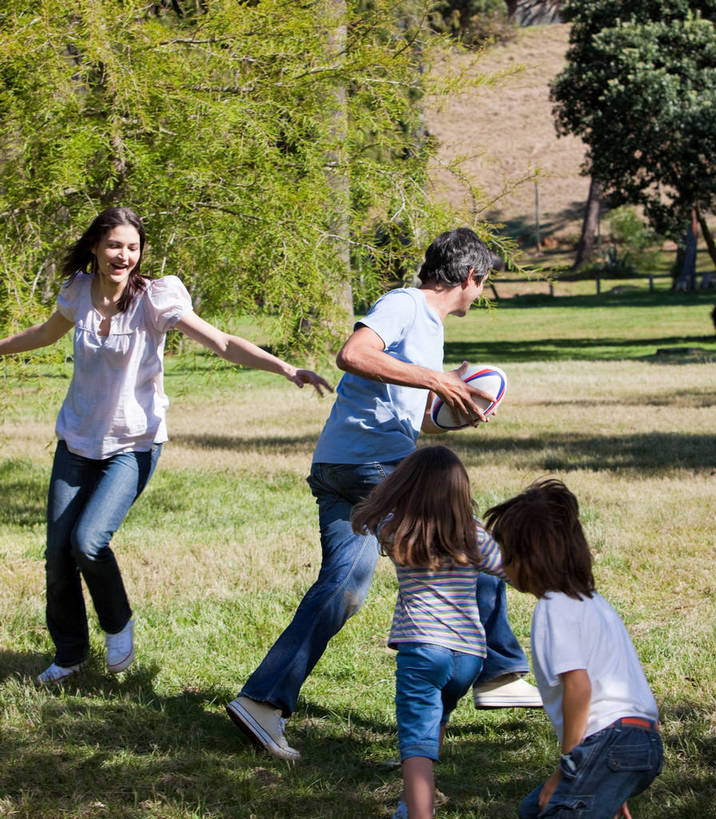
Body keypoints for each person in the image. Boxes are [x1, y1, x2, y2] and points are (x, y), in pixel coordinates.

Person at [227, 227, 540, 762]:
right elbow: (354, 353)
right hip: (373, 467)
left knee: (344, 587)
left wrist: (455, 412)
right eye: (482, 285)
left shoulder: (427, 326)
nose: (479, 294)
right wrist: (438, 380)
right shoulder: (404, 304)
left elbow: (405, 412)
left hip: (344, 466)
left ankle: (262, 703)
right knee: (466, 543)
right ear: (470, 278)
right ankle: (500, 671)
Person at [0, 206, 331, 685]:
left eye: (132, 247)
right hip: (77, 442)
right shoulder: (77, 291)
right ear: (95, 245)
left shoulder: (155, 298)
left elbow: (221, 341)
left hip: (133, 444)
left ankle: (119, 624)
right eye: (115, 245)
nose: (124, 256)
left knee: (88, 541)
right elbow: (46, 333)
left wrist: (282, 367)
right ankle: (70, 656)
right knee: (57, 553)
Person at [484, 479, 663, 819]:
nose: (503, 565)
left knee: (555, 812)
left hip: (609, 741)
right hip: (643, 743)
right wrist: (607, 786)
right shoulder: (594, 603)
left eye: (507, 554)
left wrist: (570, 768)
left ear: (530, 558)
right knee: (532, 810)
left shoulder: (553, 606)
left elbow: (578, 687)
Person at [352, 445, 514, 819]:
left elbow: (368, 514)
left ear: (407, 485)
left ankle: (419, 812)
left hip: (423, 649)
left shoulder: (396, 528)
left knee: (416, 744)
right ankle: (411, 804)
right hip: (470, 656)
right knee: (436, 719)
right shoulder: (473, 535)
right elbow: (512, 571)